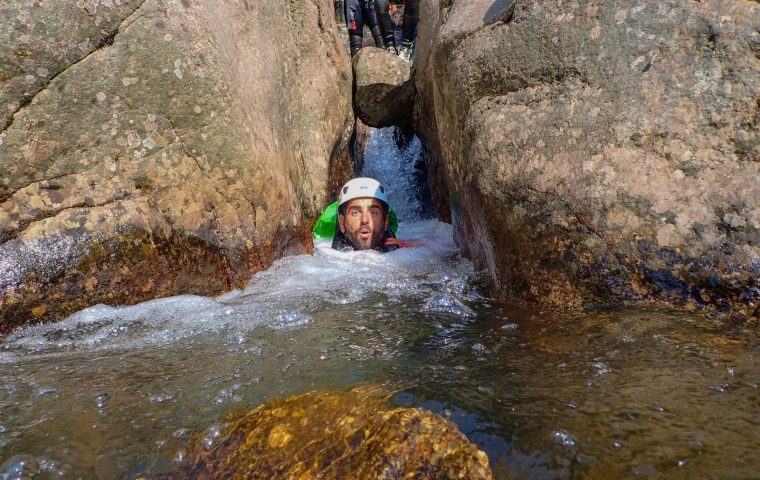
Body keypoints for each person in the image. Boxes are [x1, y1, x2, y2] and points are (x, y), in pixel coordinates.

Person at [313, 177, 400, 252]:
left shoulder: (406, 251)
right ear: (342, 223)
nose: (365, 220)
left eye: (373, 212)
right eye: (355, 213)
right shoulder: (322, 251)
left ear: (385, 222)